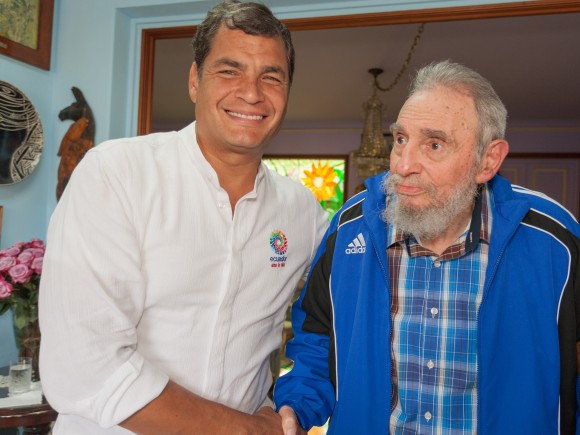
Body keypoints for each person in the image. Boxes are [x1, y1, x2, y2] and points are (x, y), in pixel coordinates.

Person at [39, 1, 328, 433]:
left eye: (271, 76)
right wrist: (248, 430)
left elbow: (337, 313)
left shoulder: (302, 211)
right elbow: (85, 366)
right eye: (229, 71)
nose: (251, 92)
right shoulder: (116, 175)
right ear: (195, 81)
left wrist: (287, 407)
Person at [274, 60, 580, 434]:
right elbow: (318, 339)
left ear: (488, 161)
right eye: (400, 139)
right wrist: (296, 404)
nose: (402, 165)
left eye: (434, 144)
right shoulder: (351, 227)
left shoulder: (555, 241)